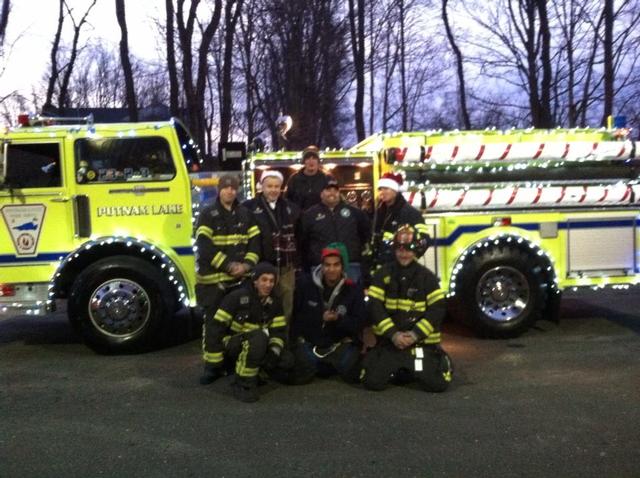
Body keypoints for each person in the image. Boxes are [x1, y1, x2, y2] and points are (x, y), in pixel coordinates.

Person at [362, 224, 453, 392]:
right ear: (395, 249)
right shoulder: (383, 274)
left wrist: (414, 335)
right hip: (391, 342)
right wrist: (393, 334)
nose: (404, 254)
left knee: (437, 384)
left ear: (416, 250)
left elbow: (437, 310)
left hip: (418, 344)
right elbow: (374, 306)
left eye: (409, 249)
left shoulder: (427, 277)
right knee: (372, 382)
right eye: (400, 249)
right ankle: (398, 366)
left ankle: (438, 359)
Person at [195, 173, 261, 386]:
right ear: (219, 190)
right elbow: (204, 247)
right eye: (226, 188)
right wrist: (229, 265)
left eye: (234, 188)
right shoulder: (208, 214)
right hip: (214, 283)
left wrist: (247, 266)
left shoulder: (245, 214)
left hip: (239, 280)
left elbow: (255, 243)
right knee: (214, 324)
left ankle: (231, 363)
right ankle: (212, 367)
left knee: (236, 325)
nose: (230, 191)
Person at [200, 262, 289, 402]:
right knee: (258, 338)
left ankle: (259, 370)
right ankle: (243, 383)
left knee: (287, 361)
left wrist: (274, 352)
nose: (268, 284)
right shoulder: (237, 297)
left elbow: (278, 331)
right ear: (255, 281)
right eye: (264, 280)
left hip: (259, 344)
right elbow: (215, 328)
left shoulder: (275, 302)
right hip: (234, 344)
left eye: (272, 281)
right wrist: (214, 363)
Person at [285, 244, 366, 384]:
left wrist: (338, 319)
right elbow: (297, 320)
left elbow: (358, 324)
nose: (332, 269)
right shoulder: (306, 285)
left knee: (352, 374)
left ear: (342, 267)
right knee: (301, 373)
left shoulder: (354, 290)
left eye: (336, 265)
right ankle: (318, 365)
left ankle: (326, 365)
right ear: (321, 266)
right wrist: (319, 318)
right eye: (327, 265)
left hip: (338, 343)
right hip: (312, 342)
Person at [243, 170, 301, 322]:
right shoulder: (248, 208)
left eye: (276, 186)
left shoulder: (292, 208)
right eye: (269, 186)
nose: (273, 190)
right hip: (262, 267)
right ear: (261, 186)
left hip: (286, 268)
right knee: (261, 307)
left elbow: (299, 236)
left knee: (286, 308)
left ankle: (283, 342)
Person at [299, 177, 371, 283]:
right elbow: (303, 242)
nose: (332, 193)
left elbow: (365, 236)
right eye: (328, 190)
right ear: (321, 193)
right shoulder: (310, 215)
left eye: (335, 190)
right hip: (321, 267)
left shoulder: (355, 213)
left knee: (352, 297)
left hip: (350, 266)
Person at [369, 172, 430, 268]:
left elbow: (424, 240)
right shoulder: (379, 212)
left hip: (399, 268)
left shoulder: (410, 213)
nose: (382, 192)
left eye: (386, 188)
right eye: (380, 189)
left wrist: (409, 261)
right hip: (381, 266)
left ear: (395, 190)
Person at [285, 145, 329, 211]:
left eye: (314, 158)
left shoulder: (326, 179)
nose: (311, 161)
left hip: (320, 218)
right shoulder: (294, 179)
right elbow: (286, 201)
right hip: (299, 219)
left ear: (318, 161)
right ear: (304, 161)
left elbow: (333, 200)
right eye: (308, 158)